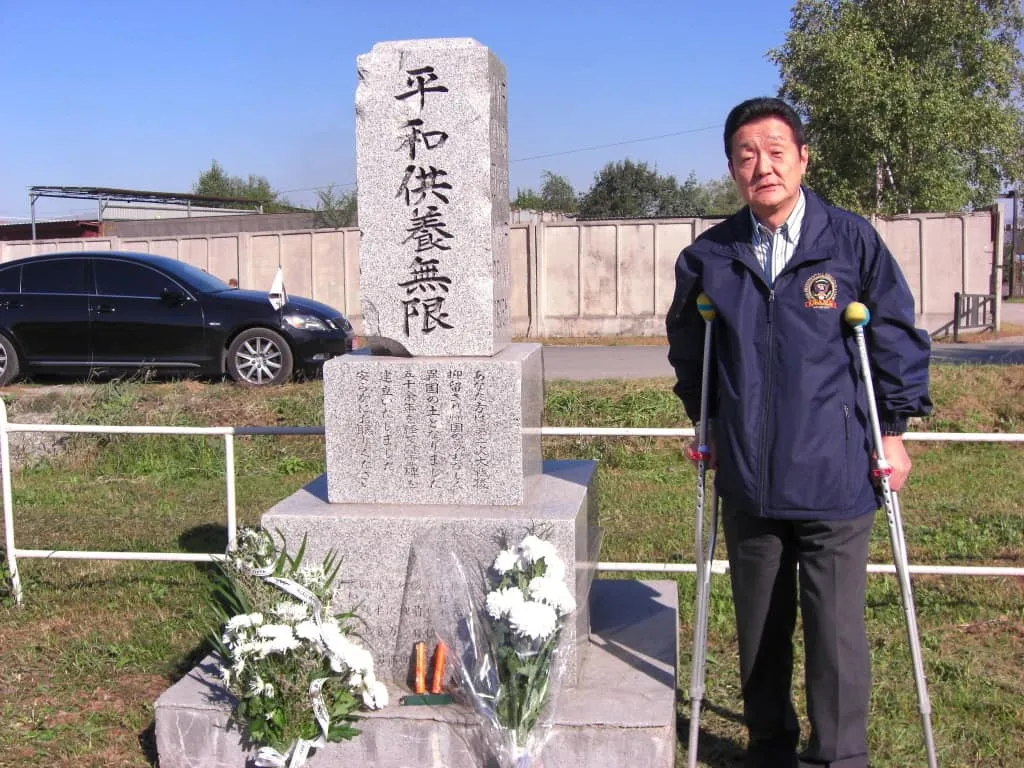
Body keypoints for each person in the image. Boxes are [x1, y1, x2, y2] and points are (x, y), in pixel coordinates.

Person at [666, 97, 932, 768]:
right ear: (731, 168)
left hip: (835, 468)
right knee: (758, 627)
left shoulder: (850, 242)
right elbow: (690, 349)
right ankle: (770, 746)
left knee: (835, 630)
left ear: (803, 158)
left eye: (776, 150)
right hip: (750, 473)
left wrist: (892, 430)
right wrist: (708, 423)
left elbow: (894, 337)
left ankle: (840, 756)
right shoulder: (710, 257)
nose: (764, 166)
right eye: (747, 155)